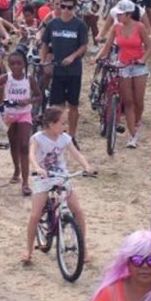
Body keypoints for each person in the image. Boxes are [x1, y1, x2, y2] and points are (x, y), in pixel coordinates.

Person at [22, 108, 95, 264]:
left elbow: (76, 154)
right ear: (50, 124)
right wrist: (37, 168)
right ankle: (28, 250)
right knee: (35, 215)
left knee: (78, 211)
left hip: (62, 176)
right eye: (62, 123)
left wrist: (87, 166)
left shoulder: (65, 138)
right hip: (44, 178)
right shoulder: (38, 138)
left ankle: (83, 248)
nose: (65, 126)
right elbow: (32, 155)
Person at [0, 51, 42, 196]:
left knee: (24, 145)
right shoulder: (6, 78)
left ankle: (25, 182)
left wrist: (28, 101)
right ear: (8, 65)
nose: (16, 66)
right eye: (12, 64)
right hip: (9, 114)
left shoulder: (29, 79)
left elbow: (39, 96)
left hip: (24, 114)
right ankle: (16, 168)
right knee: (13, 143)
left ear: (24, 64)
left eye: (19, 63)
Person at [97, 0, 151, 148]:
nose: (118, 17)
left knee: (138, 101)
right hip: (123, 65)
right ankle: (132, 133)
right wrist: (97, 58)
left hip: (138, 66)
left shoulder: (139, 27)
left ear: (128, 14)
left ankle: (136, 123)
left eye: (121, 14)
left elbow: (148, 46)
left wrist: (142, 59)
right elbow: (108, 46)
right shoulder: (116, 28)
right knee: (128, 101)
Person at [40, 0, 90, 139]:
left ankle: (72, 135)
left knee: (73, 105)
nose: (66, 10)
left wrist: (73, 57)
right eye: (63, 7)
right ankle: (57, 133)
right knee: (57, 105)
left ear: (74, 8)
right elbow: (44, 43)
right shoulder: (53, 24)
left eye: (69, 7)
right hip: (58, 70)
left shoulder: (80, 25)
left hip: (74, 71)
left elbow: (84, 46)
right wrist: (44, 61)